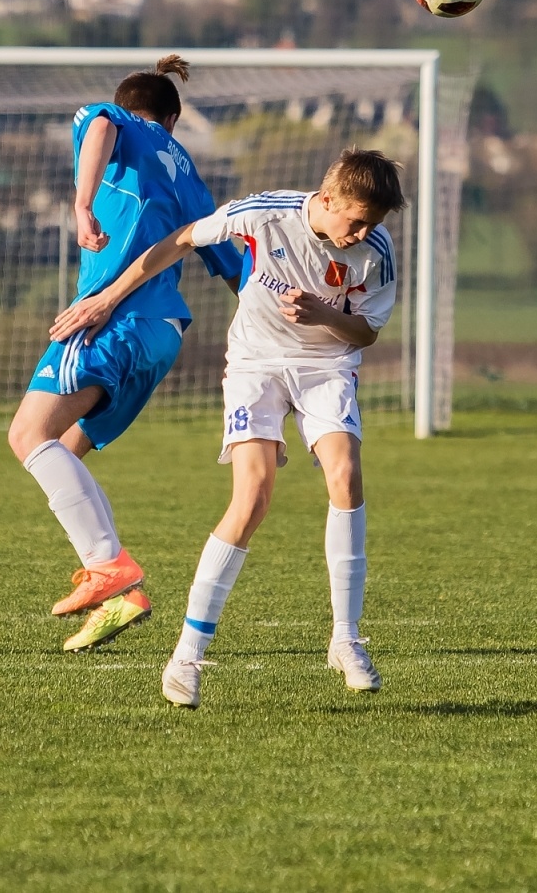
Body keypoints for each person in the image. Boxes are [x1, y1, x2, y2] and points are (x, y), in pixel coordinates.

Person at [48, 149, 405, 707]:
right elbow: (185, 238)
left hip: (325, 366)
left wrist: (323, 316)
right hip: (255, 365)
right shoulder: (265, 214)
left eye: (372, 224)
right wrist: (107, 297)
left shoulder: (374, 252)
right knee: (253, 497)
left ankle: (346, 638)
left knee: (346, 473)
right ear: (328, 197)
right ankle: (186, 657)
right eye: (355, 219)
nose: (361, 232)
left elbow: (364, 335)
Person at [6, 55, 243, 654]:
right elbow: (233, 265)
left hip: (115, 319)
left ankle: (110, 567)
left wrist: (82, 204)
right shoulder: (188, 173)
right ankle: (119, 597)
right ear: (175, 118)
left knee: (27, 434)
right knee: (64, 452)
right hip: (163, 335)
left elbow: (101, 127)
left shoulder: (117, 122)